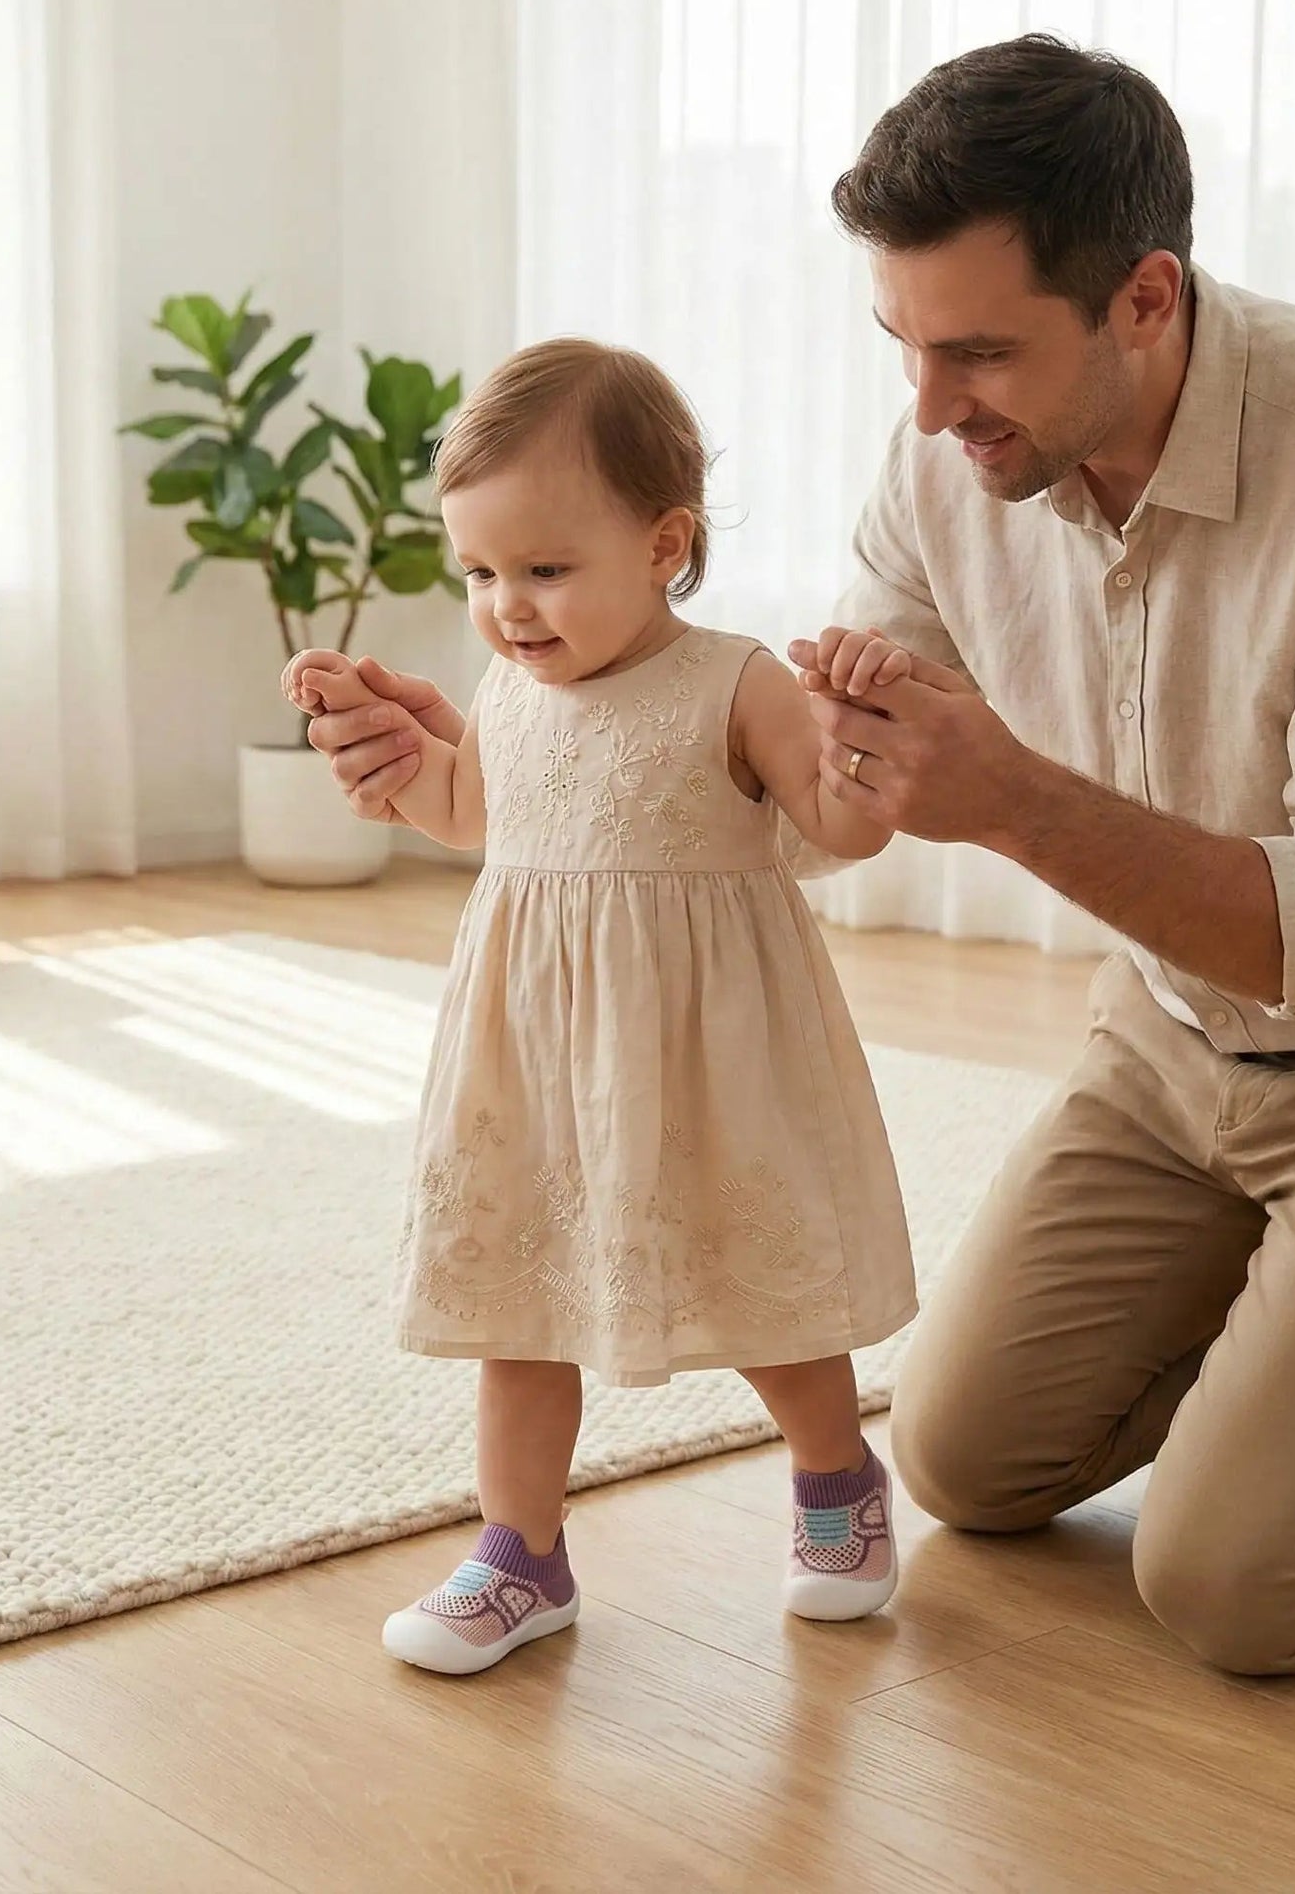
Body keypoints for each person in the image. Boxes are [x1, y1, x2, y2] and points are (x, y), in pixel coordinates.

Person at [310, 37, 1295, 1676]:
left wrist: (1009, 797)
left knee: (1243, 1587)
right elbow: (797, 802)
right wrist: (495, 761)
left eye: (979, 354)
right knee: (961, 1462)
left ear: (1144, 298)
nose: (930, 410)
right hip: (1178, 1045)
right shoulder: (943, 463)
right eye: (901, 344)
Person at [284, 338, 918, 1675]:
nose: (507, 607)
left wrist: (861, 740)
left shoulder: (731, 679)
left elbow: (837, 827)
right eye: (479, 573)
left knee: (757, 1284)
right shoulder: (510, 695)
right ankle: (518, 1551)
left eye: (544, 569)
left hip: (706, 1059)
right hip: (533, 1054)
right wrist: (398, 765)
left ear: (662, 544)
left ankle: (832, 1473)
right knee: (517, 1297)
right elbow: (474, 814)